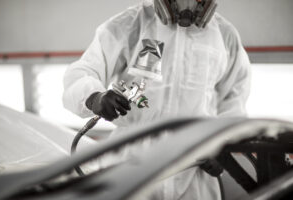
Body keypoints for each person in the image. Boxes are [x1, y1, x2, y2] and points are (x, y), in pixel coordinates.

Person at [63, 0, 251, 199]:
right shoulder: (131, 24)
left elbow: (234, 99)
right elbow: (83, 71)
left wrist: (222, 147)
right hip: (132, 165)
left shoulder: (224, 35)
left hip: (195, 170)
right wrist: (94, 97)